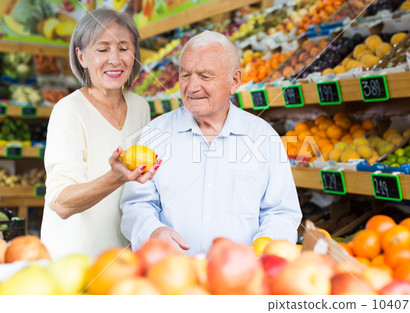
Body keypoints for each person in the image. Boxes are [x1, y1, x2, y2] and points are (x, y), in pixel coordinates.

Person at [120, 30, 302, 256]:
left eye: (205, 76)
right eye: (185, 75)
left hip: (243, 278)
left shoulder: (263, 137)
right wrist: (152, 232)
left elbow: (282, 212)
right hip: (172, 277)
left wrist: (265, 246)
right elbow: (136, 204)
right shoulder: (156, 134)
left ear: (234, 81)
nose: (192, 87)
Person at [41, 8, 160, 260]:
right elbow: (61, 203)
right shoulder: (68, 111)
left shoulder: (140, 107)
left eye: (124, 48)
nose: (115, 59)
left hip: (123, 260)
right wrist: (115, 178)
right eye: (103, 49)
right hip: (74, 263)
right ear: (81, 56)